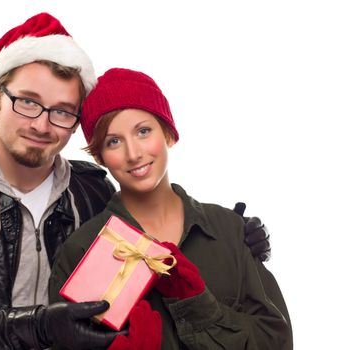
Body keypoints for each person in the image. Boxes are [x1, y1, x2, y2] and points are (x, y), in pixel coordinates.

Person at [0, 13, 272, 350]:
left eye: (62, 111)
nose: (42, 125)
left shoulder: (92, 190)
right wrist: (43, 328)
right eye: (27, 102)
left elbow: (152, 247)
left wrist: (233, 238)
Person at [49, 68, 293, 349]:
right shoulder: (83, 249)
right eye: (113, 141)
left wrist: (198, 307)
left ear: (168, 134)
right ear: (100, 156)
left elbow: (277, 340)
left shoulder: (229, 229)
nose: (133, 153)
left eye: (143, 131)